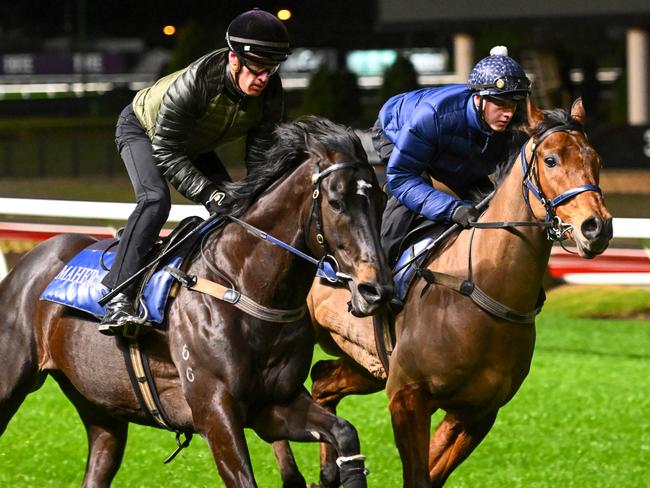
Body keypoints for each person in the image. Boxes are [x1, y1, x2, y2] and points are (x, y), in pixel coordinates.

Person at [98, 9, 291, 335]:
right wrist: (209, 192)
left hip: (192, 143)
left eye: (271, 69)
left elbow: (260, 161)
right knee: (156, 201)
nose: (264, 78)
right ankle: (118, 298)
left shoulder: (269, 92)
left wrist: (251, 199)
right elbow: (167, 151)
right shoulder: (196, 83)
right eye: (258, 68)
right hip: (144, 131)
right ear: (234, 59)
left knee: (239, 210)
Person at [372, 46, 531, 265]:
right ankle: (380, 269)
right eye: (500, 104)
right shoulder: (431, 117)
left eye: (513, 105)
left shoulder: (513, 123)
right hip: (396, 129)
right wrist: (451, 209)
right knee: (414, 188)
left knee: (487, 202)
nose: (508, 113)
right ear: (478, 99)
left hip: (447, 140)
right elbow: (401, 178)